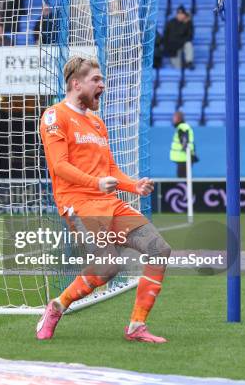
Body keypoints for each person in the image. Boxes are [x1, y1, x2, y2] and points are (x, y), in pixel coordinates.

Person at [37, 56, 171, 343]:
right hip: (78, 204)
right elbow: (59, 166)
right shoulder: (54, 116)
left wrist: (134, 186)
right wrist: (95, 183)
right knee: (109, 266)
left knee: (159, 249)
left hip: (108, 203)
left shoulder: (97, 123)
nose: (103, 85)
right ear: (76, 84)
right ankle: (57, 306)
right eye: (96, 80)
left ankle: (136, 326)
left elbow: (109, 169)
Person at [170, 110, 196, 178]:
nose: (173, 120)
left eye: (174, 118)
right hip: (185, 158)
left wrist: (186, 150)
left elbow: (185, 141)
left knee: (183, 179)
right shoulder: (184, 127)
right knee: (185, 178)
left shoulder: (182, 127)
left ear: (178, 118)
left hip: (184, 158)